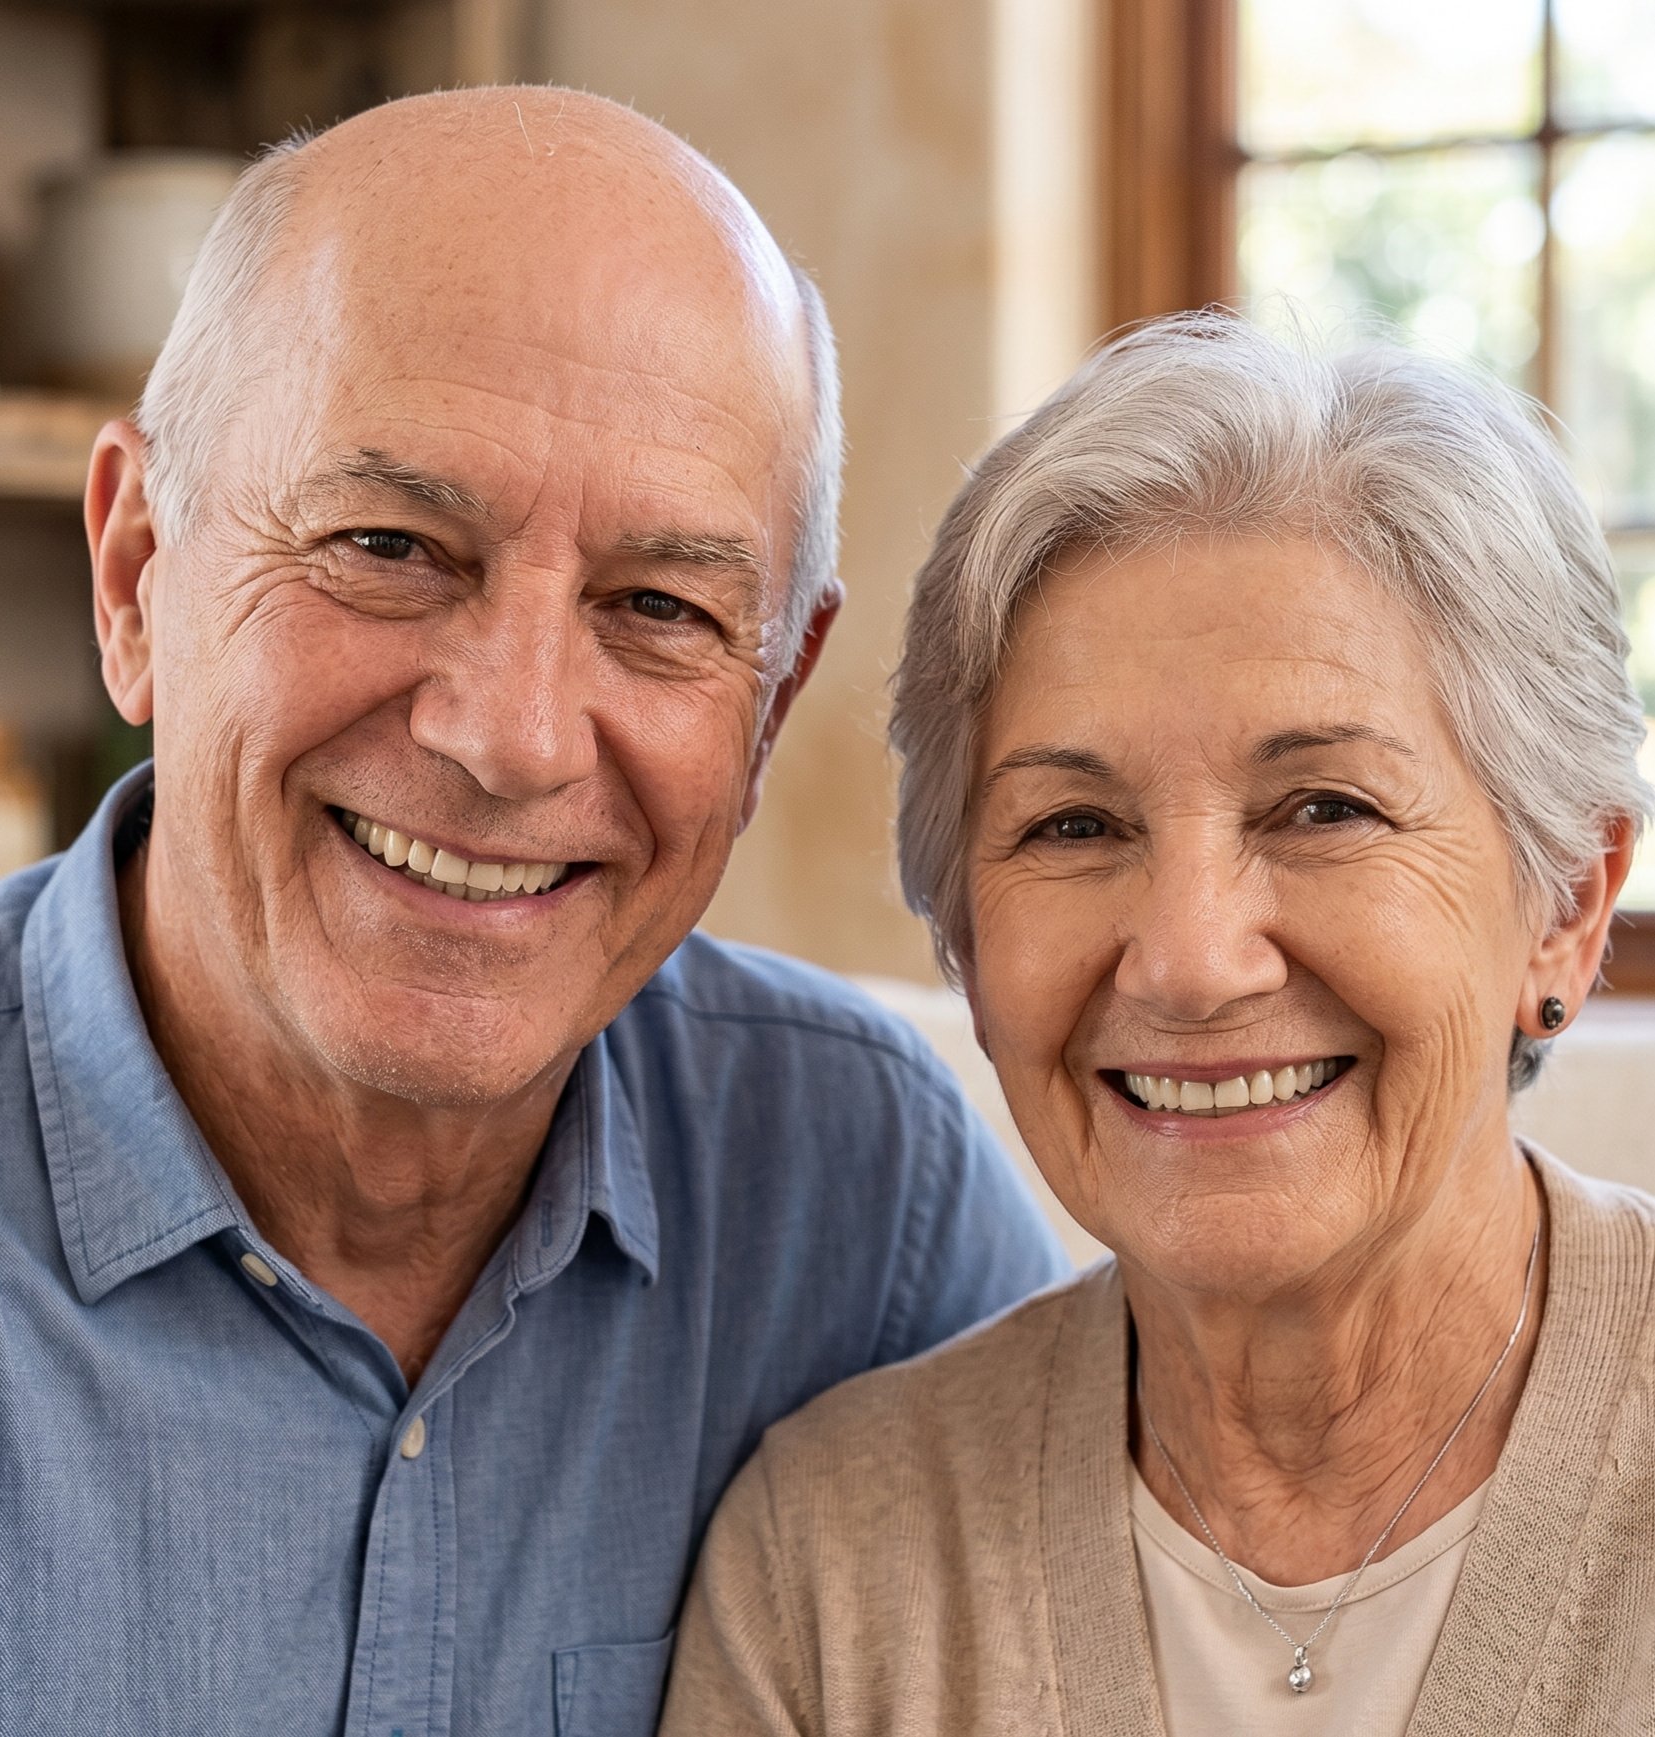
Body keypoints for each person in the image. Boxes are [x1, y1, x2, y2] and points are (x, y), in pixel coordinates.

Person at [0, 89, 1069, 1736]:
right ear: (134, 576)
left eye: (659, 607)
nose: (514, 736)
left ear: (769, 698)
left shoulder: (864, 1209)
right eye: (388, 545)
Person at [660, 313, 1655, 1735]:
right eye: (1072, 824)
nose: (1189, 961)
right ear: (962, 940)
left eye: (1323, 808)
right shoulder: (832, 1565)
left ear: (1564, 902)